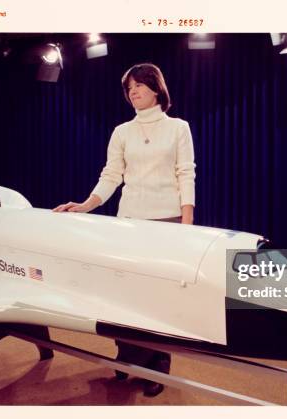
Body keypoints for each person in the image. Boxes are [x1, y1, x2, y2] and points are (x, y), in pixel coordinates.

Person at [53, 63, 196, 397]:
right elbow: (111, 175)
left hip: (167, 224)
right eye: (129, 87)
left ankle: (156, 371)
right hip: (128, 223)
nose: (133, 91)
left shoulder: (178, 128)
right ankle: (126, 358)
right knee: (122, 297)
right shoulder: (122, 131)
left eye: (139, 85)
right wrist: (86, 205)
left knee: (157, 302)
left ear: (156, 88)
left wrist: (187, 224)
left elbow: (185, 173)